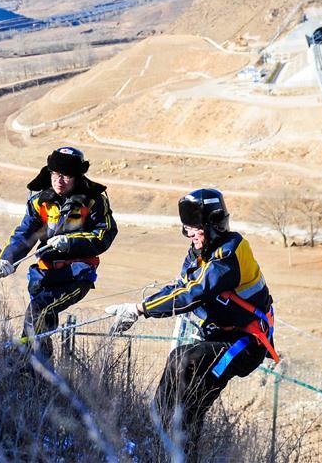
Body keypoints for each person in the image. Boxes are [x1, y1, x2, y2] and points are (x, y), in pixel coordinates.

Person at [105, 188, 278, 459]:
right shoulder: (199, 252)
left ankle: (174, 449)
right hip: (218, 338)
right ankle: (158, 434)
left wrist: (140, 310)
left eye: (196, 230)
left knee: (186, 369)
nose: (191, 237)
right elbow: (180, 286)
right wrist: (141, 305)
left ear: (213, 226)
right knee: (184, 379)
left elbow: (193, 293)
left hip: (244, 344)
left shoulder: (229, 254)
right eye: (186, 230)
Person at [0, 146, 117, 359]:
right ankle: (43, 379)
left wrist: (70, 242)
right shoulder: (39, 201)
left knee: (37, 312)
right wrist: (6, 259)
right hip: (44, 275)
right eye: (55, 175)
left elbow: (104, 235)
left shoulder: (94, 201)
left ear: (77, 177)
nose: (59, 181)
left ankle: (24, 366)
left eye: (66, 176)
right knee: (42, 327)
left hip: (77, 276)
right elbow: (24, 235)